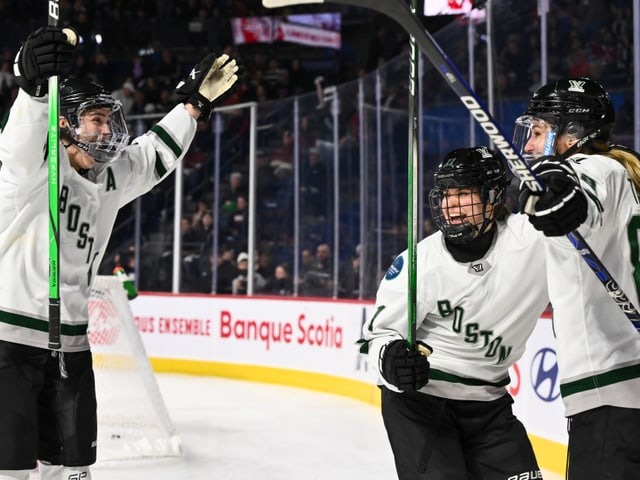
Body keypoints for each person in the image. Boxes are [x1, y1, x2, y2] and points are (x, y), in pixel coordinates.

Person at [0, 26, 240, 480]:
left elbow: (154, 155)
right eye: (96, 119)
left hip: (70, 347)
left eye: (109, 121)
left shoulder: (109, 179)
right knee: (9, 472)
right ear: (64, 123)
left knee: (69, 472)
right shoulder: (31, 170)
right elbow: (20, 141)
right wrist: (33, 87)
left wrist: (193, 107)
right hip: (9, 343)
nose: (107, 130)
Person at [359, 147, 550, 480]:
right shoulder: (419, 263)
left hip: (490, 404)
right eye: (447, 194)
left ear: (493, 197)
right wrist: (391, 360)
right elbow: (380, 335)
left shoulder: (533, 241)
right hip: (421, 403)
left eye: (463, 193)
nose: (451, 205)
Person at [514, 77, 640, 480]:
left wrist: (562, 192)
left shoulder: (595, 169)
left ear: (571, 133)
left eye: (538, 131)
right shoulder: (626, 172)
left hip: (612, 391)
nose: (529, 146)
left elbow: (580, 197)